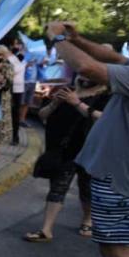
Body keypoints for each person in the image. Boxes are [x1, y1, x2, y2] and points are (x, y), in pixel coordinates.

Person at [40, 24, 129, 257]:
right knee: (127, 243)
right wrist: (78, 39)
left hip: (120, 173)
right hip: (124, 170)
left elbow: (86, 67)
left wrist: (55, 37)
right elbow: (111, 57)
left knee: (116, 247)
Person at [24, 76, 108, 243]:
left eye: (88, 74)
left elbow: (104, 118)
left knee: (86, 188)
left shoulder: (105, 96)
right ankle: (46, 229)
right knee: (57, 187)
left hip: (89, 149)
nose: (84, 78)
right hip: (63, 149)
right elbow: (42, 114)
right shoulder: (68, 90)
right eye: (82, 74)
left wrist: (77, 103)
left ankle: (87, 220)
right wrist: (55, 103)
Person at [6, 38, 26, 143]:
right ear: (10, 46)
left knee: (15, 113)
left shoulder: (17, 57)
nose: (18, 46)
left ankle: (15, 135)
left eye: (18, 44)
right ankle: (9, 135)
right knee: (8, 111)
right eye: (16, 44)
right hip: (10, 88)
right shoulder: (7, 58)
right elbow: (12, 72)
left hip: (19, 89)